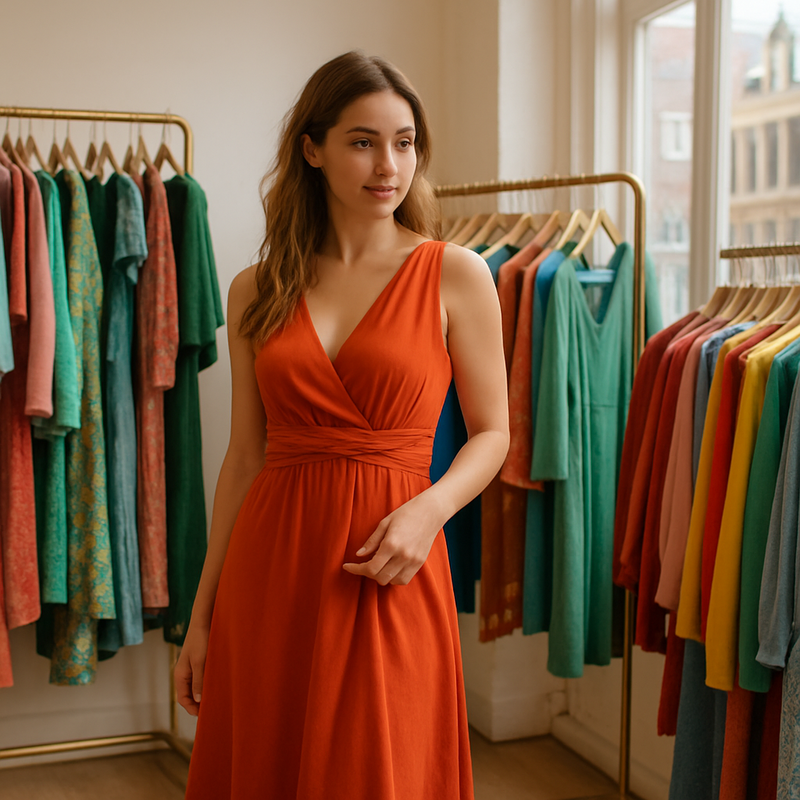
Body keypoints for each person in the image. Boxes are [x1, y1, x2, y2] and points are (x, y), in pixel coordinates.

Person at [176, 51, 509, 799]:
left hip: (389, 563)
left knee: (377, 770)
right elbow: (244, 459)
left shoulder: (455, 273)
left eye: (404, 141)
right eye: (362, 141)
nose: (387, 164)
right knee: (267, 761)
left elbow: (494, 434)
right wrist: (201, 619)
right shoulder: (255, 290)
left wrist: (430, 510)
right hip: (271, 571)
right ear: (313, 149)